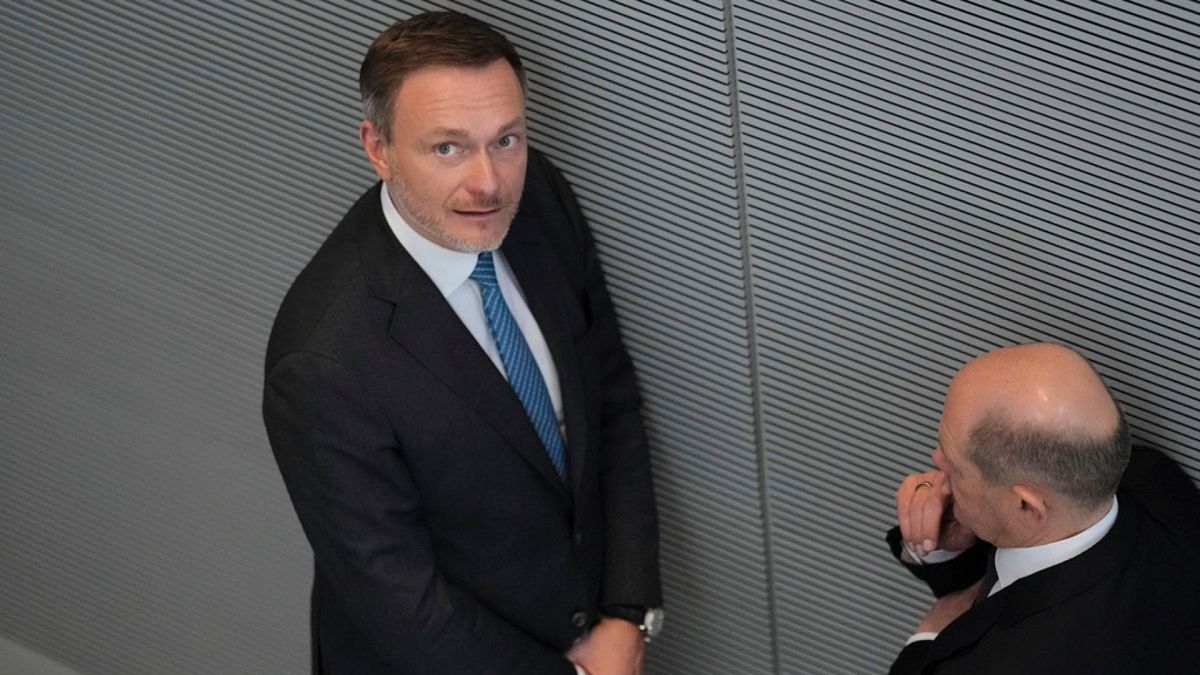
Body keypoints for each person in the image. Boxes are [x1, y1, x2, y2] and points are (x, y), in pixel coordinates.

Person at [262, 11, 662, 675]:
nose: (489, 182)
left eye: (506, 139)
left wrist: (626, 612)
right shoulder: (322, 362)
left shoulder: (540, 196)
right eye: (448, 148)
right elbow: (405, 609)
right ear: (378, 148)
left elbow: (610, 394)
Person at [887, 343, 1200, 674]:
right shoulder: (1151, 479)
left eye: (955, 464)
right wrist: (945, 544)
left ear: (1027, 505)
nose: (937, 460)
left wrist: (928, 635)